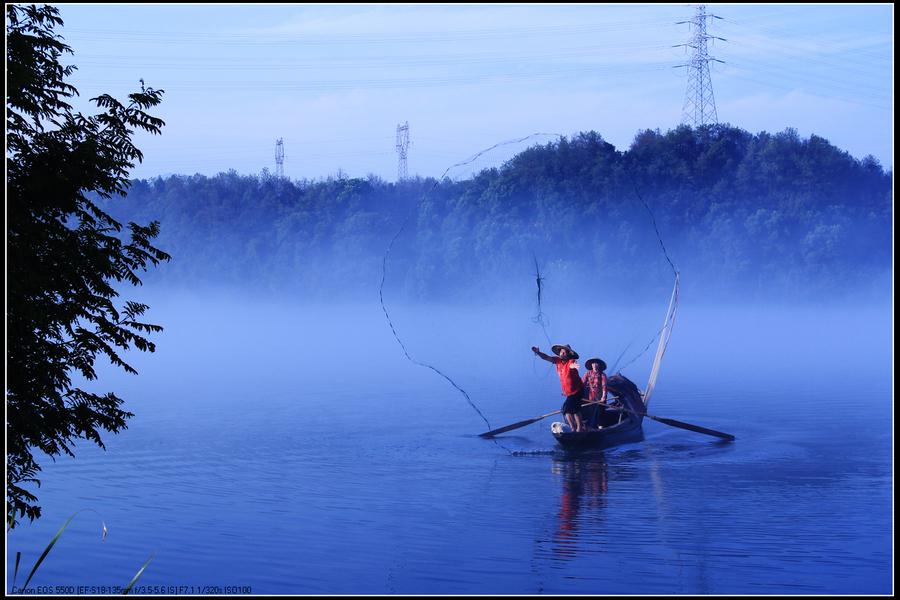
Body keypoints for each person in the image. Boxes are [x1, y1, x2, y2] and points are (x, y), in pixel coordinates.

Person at [531, 343, 586, 432]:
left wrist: (574, 366)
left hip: (577, 389)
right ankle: (573, 428)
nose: (562, 354)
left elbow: (571, 365)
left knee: (567, 408)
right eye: (561, 352)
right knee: (575, 409)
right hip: (568, 390)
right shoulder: (557, 361)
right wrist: (538, 352)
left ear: (568, 355)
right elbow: (546, 357)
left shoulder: (570, 361)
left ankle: (577, 429)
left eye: (564, 353)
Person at [582, 358, 608, 429]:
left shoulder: (602, 374)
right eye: (593, 364)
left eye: (596, 364)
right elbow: (582, 384)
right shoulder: (588, 373)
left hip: (600, 399)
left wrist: (603, 397)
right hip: (591, 398)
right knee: (591, 413)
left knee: (600, 415)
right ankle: (590, 427)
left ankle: (601, 428)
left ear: (599, 365)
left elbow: (604, 386)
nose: (595, 365)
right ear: (591, 365)